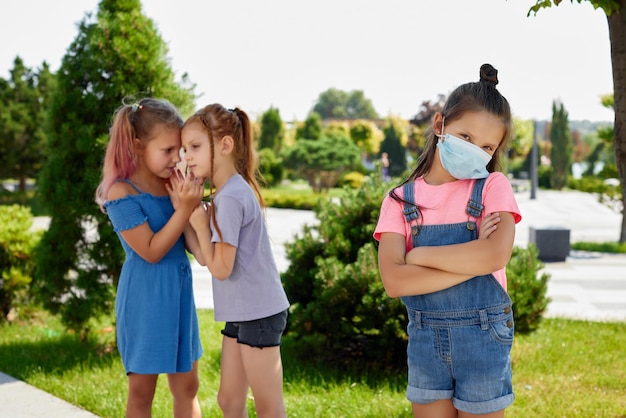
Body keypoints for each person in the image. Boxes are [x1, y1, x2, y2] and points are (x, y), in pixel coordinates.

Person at [374, 64, 522, 418]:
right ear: (440, 125)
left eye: (486, 146)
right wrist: (472, 262)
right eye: (466, 138)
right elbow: (394, 281)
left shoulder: (493, 187)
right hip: (426, 343)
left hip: (484, 342)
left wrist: (420, 255)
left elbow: (495, 256)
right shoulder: (400, 200)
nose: (476, 151)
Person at [95, 97, 205, 418]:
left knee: (188, 388)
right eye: (168, 150)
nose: (176, 158)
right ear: (138, 146)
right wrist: (183, 208)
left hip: (179, 296)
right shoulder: (121, 192)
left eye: (179, 150)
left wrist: (193, 207)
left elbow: (192, 245)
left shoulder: (171, 184)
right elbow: (153, 250)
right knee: (142, 393)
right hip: (145, 300)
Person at [179, 103, 290, 418]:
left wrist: (199, 223)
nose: (187, 156)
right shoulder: (224, 194)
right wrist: (186, 212)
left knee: (269, 408)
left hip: (259, 313)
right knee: (229, 401)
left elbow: (221, 269)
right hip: (242, 313)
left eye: (195, 147)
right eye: (185, 148)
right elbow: (204, 256)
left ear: (225, 145)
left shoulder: (230, 198)